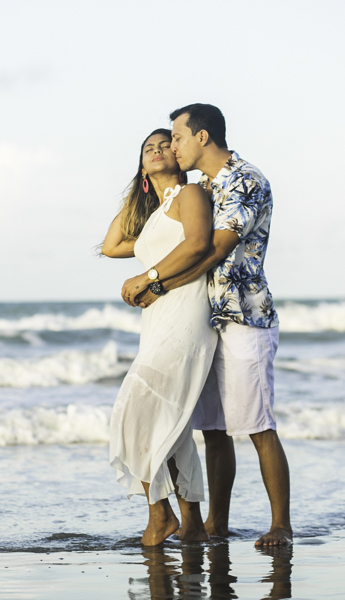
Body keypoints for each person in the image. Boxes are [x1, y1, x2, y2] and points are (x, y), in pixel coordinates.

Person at [123, 104, 293, 547]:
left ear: (201, 137)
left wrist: (155, 281)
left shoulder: (245, 180)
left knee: (256, 424)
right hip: (208, 321)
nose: (171, 145)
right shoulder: (204, 187)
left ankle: (280, 525)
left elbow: (212, 250)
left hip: (243, 316)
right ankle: (216, 523)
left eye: (176, 137)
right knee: (213, 430)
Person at [102, 128, 218, 545]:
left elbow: (199, 244)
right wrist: (139, 189)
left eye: (162, 144)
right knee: (172, 425)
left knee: (133, 414)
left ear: (179, 150)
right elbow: (111, 245)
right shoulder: (156, 215)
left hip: (185, 315)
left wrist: (148, 276)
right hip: (157, 322)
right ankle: (191, 525)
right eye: (146, 149)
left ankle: (160, 517)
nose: (155, 150)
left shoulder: (190, 196)